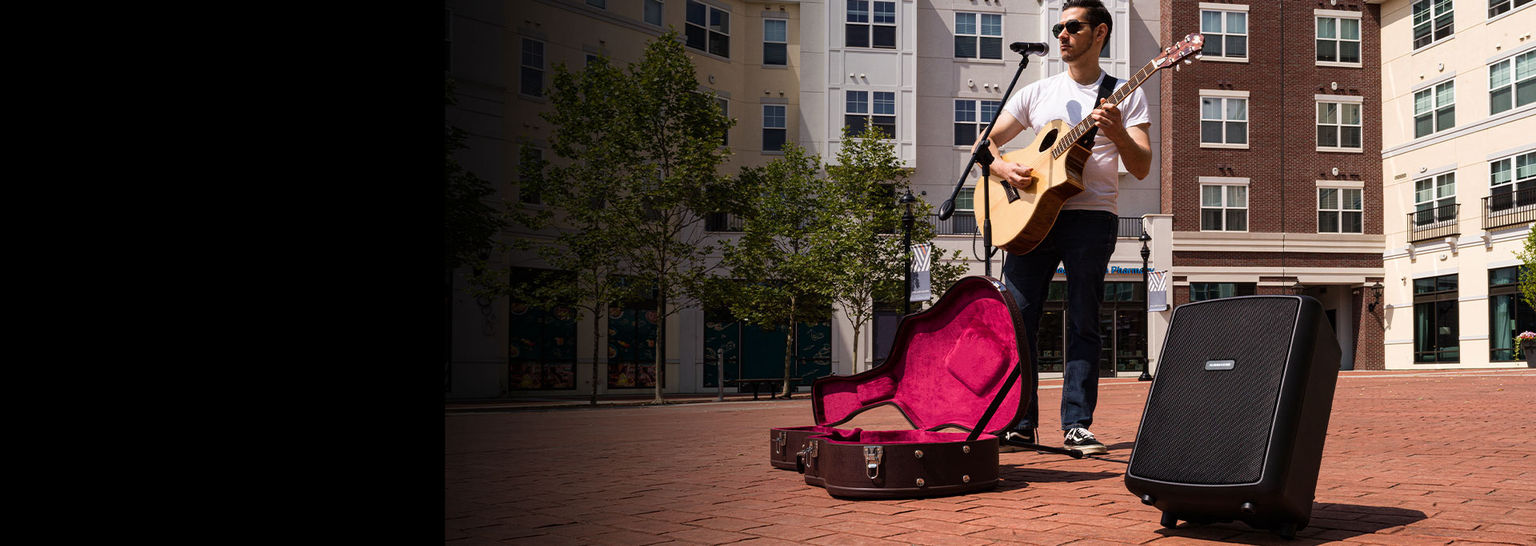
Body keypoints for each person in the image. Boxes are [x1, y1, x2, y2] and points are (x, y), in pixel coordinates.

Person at [973, 0, 1151, 455]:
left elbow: (1143, 165)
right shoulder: (1037, 91)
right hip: (1030, 215)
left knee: (1084, 319)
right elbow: (986, 143)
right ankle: (1018, 421)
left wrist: (1118, 131)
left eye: (1073, 26)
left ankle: (1076, 423)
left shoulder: (1124, 94)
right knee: (1019, 319)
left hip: (1090, 217)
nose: (1062, 35)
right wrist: (1004, 171)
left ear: (1100, 33)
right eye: (1059, 27)